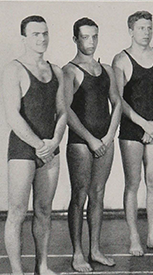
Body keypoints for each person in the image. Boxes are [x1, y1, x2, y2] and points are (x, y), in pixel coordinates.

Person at [3, 15, 67, 275]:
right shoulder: (14, 69)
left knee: (44, 209)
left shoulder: (57, 71)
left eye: (45, 33)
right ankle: (18, 271)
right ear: (24, 38)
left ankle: (42, 265)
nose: (41, 39)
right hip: (23, 148)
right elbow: (12, 115)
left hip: (50, 146)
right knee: (17, 211)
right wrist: (39, 144)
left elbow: (63, 111)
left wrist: (54, 141)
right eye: (35, 34)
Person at [63, 17, 122, 271]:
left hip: (104, 139)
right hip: (81, 142)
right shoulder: (69, 70)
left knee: (98, 194)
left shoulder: (107, 69)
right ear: (75, 39)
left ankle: (95, 249)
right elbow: (65, 109)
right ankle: (78, 253)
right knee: (80, 195)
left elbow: (117, 103)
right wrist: (90, 139)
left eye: (94, 36)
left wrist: (108, 136)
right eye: (85, 37)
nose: (91, 42)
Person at [112, 11, 153, 256]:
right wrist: (144, 125)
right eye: (141, 28)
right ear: (130, 31)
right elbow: (118, 99)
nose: (146, 32)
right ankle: (134, 237)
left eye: (149, 28)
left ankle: (152, 236)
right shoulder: (121, 59)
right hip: (131, 129)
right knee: (133, 184)